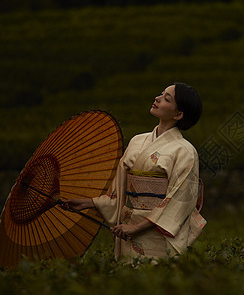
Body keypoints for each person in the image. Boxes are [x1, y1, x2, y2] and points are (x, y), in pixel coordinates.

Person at [60, 82, 206, 262]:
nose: (157, 98)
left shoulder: (185, 151)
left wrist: (138, 228)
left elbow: (180, 201)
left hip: (156, 234)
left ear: (178, 114)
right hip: (128, 224)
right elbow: (119, 191)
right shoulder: (137, 141)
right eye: (160, 94)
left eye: (166, 98)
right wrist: (88, 203)